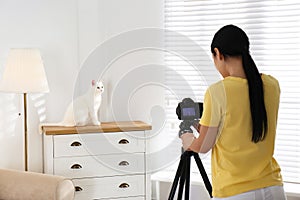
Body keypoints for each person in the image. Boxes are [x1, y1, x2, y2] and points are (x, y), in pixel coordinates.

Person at [181, 25, 286, 200]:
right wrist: (200, 126)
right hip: (273, 187)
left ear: (218, 53)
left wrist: (186, 136)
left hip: (236, 192)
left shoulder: (217, 92)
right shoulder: (271, 85)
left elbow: (203, 146)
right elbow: (239, 130)